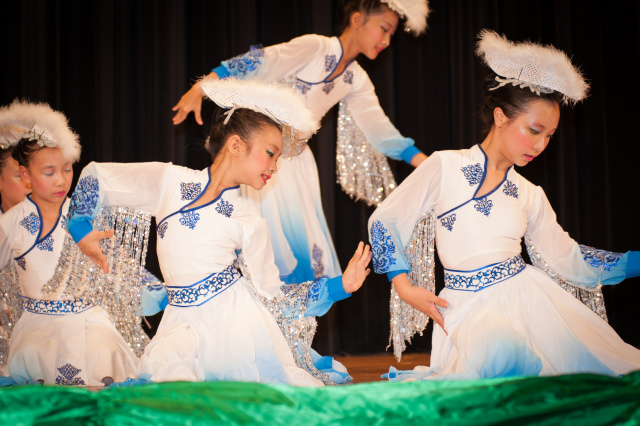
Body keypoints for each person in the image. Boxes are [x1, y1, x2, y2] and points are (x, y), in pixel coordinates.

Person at [368, 30, 640, 380]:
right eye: (534, 130)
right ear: (500, 117)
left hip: (530, 302)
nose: (540, 145)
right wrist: (404, 287)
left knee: (614, 370)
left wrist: (634, 262)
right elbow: (385, 221)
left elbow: (568, 259)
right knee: (498, 353)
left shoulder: (530, 194)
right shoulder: (445, 166)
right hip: (465, 311)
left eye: (549, 136)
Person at [67, 77, 372, 386]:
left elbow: (274, 296)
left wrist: (340, 286)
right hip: (180, 323)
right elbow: (98, 176)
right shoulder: (170, 181)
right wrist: (80, 228)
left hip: (234, 329)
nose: (274, 167)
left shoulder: (247, 217)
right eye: (270, 153)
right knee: (161, 388)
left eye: (278, 158)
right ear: (236, 145)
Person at [172, 0, 429, 284]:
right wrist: (201, 87)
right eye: (384, 28)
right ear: (357, 19)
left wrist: (427, 164)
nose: (386, 40)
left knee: (306, 258)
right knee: (265, 252)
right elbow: (262, 61)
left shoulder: (356, 79)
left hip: (297, 167)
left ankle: (296, 307)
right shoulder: (315, 47)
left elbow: (379, 130)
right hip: (262, 162)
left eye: (391, 34)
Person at [0, 100, 143, 386]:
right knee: (37, 356)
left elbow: (119, 267)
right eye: (49, 172)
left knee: (103, 354)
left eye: (67, 169)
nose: (61, 181)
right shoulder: (12, 222)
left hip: (89, 320)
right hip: (38, 324)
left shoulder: (86, 216)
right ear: (26, 175)